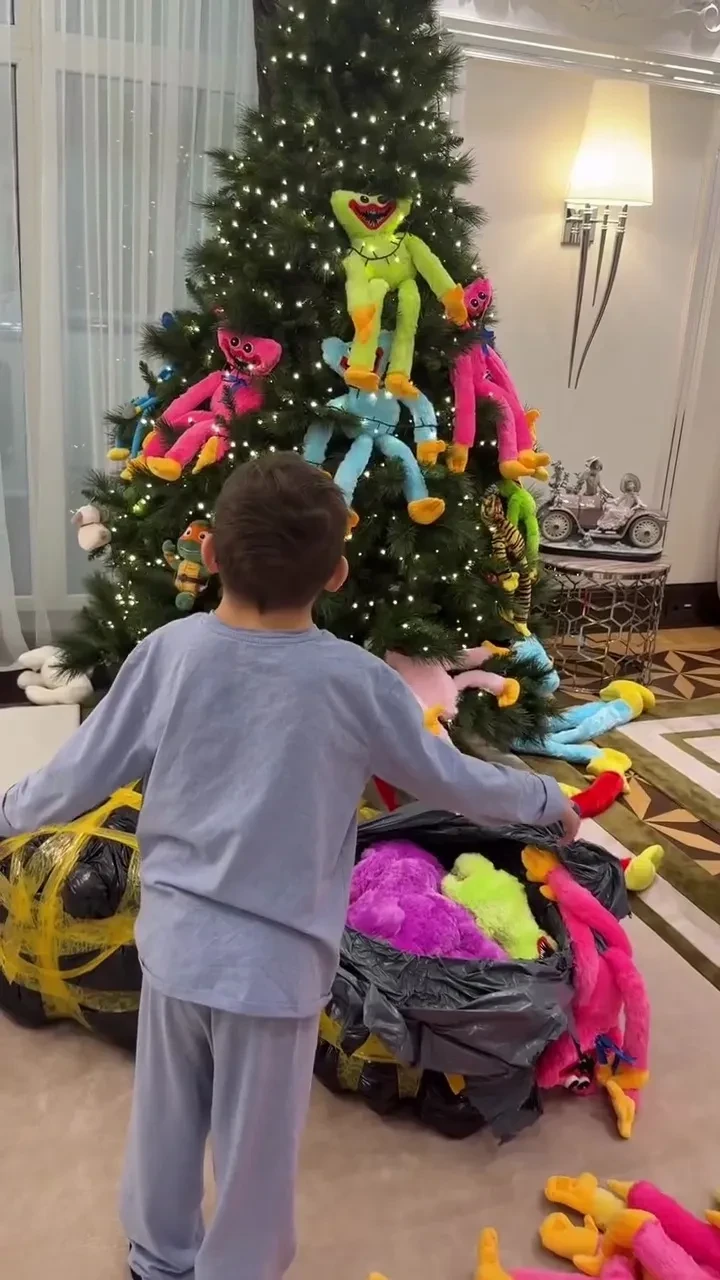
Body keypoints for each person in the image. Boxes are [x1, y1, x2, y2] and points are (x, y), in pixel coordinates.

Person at [0, 453, 579, 1280]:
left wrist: (5, 814)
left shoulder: (168, 653)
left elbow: (76, 774)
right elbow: (451, 780)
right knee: (257, 1152)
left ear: (208, 554)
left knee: (165, 1120)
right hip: (277, 971)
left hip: (176, 949)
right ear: (336, 574)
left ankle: (157, 1258)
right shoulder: (356, 681)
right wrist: (543, 800)